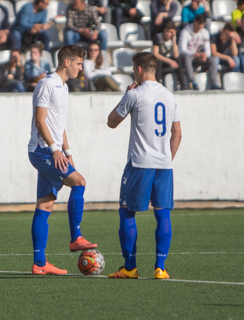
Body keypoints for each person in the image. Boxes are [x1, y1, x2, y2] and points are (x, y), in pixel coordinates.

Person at [107, 52, 181, 280]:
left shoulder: (135, 94)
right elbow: (177, 134)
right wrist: (166, 158)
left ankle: (130, 267)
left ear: (139, 69)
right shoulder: (170, 96)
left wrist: (125, 95)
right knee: (163, 214)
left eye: (133, 69)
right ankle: (160, 268)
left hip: (139, 163)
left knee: (127, 212)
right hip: (164, 165)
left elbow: (111, 122)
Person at [28, 44, 96, 275]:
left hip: (52, 150)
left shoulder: (63, 87)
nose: (81, 68)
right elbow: (40, 121)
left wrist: (67, 151)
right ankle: (75, 237)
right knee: (80, 182)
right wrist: (55, 149)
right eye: (78, 63)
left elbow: (58, 124)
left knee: (45, 204)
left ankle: (39, 263)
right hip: (42, 151)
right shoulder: (47, 84)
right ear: (67, 62)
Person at [178, 14, 220, 90]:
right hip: (189, 56)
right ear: (195, 21)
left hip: (199, 56)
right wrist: (195, 54)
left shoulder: (205, 32)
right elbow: (182, 49)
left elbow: (208, 50)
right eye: (199, 23)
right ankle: (193, 81)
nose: (200, 26)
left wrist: (205, 55)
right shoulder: (185, 32)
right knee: (187, 58)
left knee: (213, 59)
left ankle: (215, 83)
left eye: (202, 24)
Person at [152, 21, 182, 90]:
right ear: (163, 30)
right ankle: (158, 81)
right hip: (159, 61)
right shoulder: (157, 37)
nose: (168, 34)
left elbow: (176, 55)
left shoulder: (174, 39)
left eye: (171, 32)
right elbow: (155, 54)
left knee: (179, 60)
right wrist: (170, 61)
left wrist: (174, 40)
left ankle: (181, 83)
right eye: (167, 31)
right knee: (158, 61)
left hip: (167, 61)